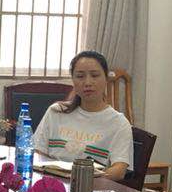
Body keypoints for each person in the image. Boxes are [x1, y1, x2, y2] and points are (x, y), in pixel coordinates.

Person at [28, 49, 133, 180]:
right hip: (52, 184)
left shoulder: (119, 123)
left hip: (91, 186)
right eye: (80, 76)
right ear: (73, 80)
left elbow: (119, 170)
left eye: (95, 75)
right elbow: (37, 152)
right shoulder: (56, 112)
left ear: (106, 78)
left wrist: (84, 180)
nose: (88, 82)